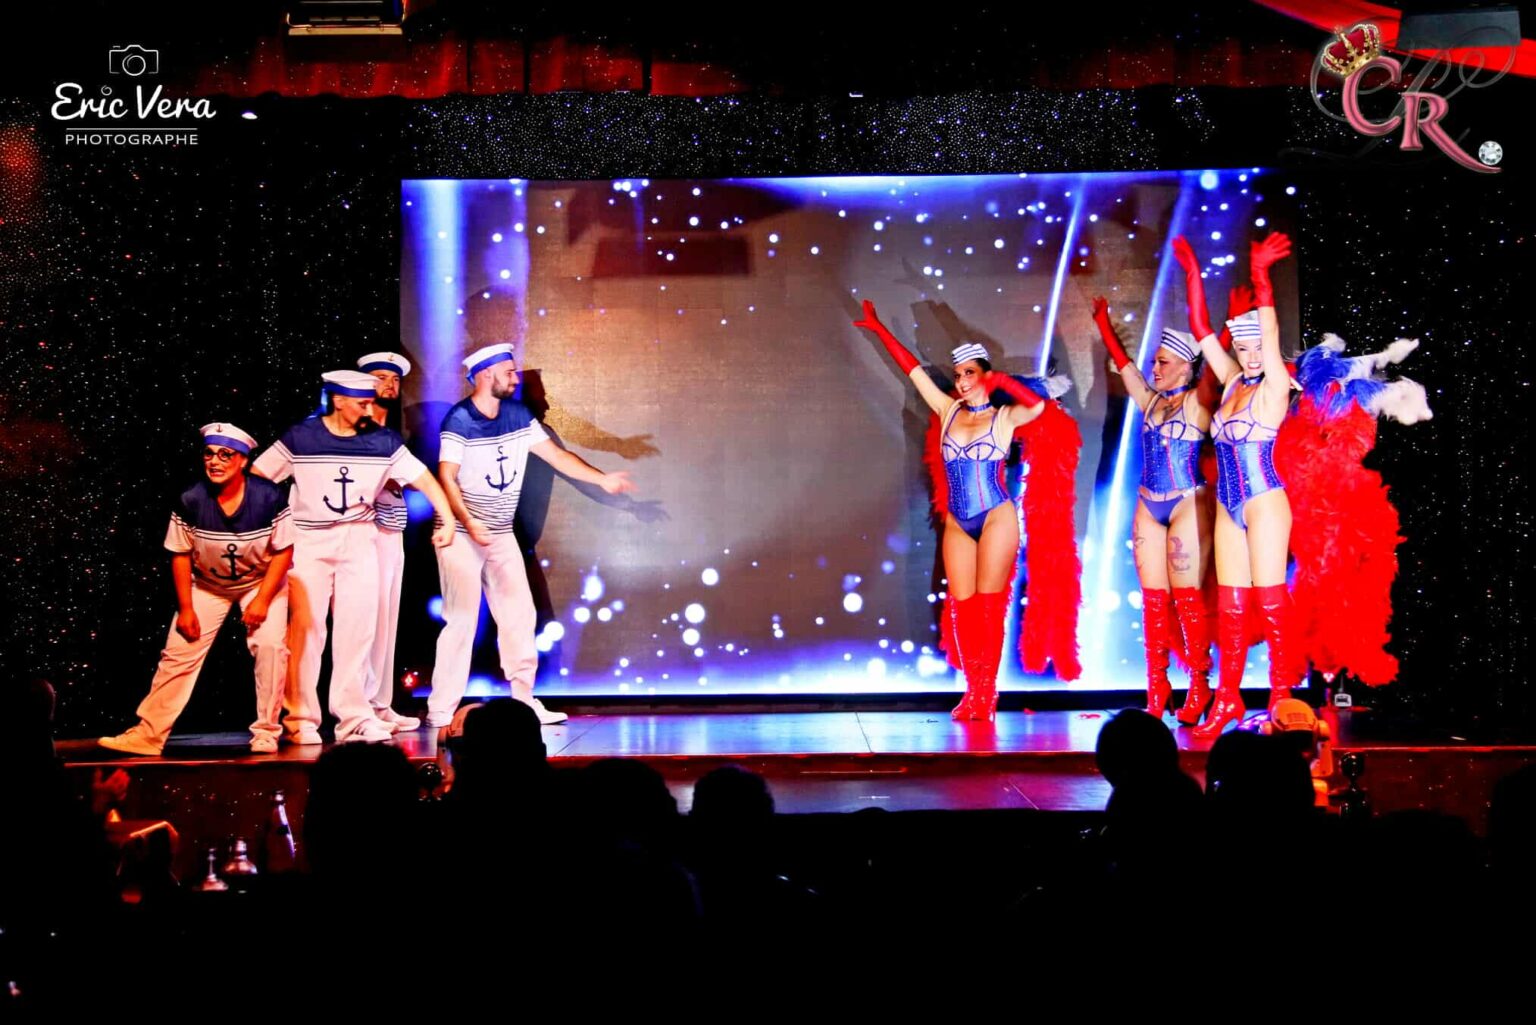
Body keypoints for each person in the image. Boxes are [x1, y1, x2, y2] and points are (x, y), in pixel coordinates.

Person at [853, 302, 1081, 720]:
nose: (960, 381)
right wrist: (879, 328)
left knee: (989, 608)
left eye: (969, 373)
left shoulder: (1005, 417)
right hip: (959, 520)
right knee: (963, 607)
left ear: (984, 376)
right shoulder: (947, 410)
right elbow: (912, 371)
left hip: (996, 515)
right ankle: (974, 690)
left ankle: (986, 694)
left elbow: (1038, 404)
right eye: (958, 375)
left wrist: (1001, 380)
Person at [429, 343, 635, 728]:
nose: (514, 378)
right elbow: (447, 476)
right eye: (508, 372)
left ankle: (524, 701)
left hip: (500, 532)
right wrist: (468, 521)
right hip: (461, 533)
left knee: (519, 617)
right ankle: (441, 709)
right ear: (486, 375)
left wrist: (602, 479)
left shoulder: (518, 415)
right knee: (462, 620)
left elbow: (557, 456)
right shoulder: (460, 420)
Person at [252, 371, 456, 744]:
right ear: (338, 400)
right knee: (307, 632)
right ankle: (300, 720)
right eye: (361, 403)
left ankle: (354, 718)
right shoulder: (301, 437)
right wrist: (265, 528)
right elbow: (258, 476)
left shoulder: (382, 441)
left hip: (360, 538)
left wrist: (446, 517)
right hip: (309, 541)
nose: (369, 409)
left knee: (358, 631)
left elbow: (423, 479)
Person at [100, 423, 294, 755]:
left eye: (225, 455)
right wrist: (187, 608)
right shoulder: (191, 499)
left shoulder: (269, 497)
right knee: (178, 652)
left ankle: (266, 732)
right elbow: (180, 555)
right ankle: (148, 735)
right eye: (209, 454)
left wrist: (262, 600)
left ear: (243, 461)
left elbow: (283, 551)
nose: (215, 461)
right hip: (208, 585)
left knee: (271, 647)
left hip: (261, 582)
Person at [1172, 232, 1297, 738]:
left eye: (1256, 348)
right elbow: (1202, 331)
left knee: (1270, 599)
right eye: (1241, 349)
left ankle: (1282, 699)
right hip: (1228, 505)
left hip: (1264, 500)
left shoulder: (1274, 387)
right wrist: (1191, 274)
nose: (1249, 356)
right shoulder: (1231, 383)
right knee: (1230, 605)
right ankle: (1227, 700)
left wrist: (1261, 276)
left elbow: (1270, 330)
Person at [1090, 297, 1222, 722]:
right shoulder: (1149, 402)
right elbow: (1124, 366)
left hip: (1187, 501)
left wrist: (1219, 333)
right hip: (1149, 503)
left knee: (1187, 599)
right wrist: (1103, 324)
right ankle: (1157, 685)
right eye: (1156, 361)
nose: (1156, 368)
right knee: (1153, 601)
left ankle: (1199, 684)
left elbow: (1218, 367)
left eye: (1164, 362)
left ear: (1186, 367)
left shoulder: (1199, 402)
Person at [357, 350, 420, 732]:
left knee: (386, 622)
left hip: (392, 531)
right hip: (366, 532)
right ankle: (360, 707)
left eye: (395, 379)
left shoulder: (389, 432)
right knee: (365, 621)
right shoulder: (354, 429)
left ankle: (381, 703)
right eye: (381, 377)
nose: (390, 385)